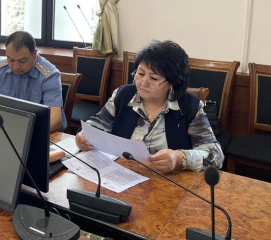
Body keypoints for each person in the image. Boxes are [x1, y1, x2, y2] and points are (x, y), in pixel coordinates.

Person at [75, 40, 223, 173]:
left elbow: (215, 155)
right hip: (120, 174)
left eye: (154, 78)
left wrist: (179, 158)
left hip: (167, 182)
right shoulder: (123, 95)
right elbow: (98, 123)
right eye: (140, 74)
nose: (143, 82)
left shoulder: (189, 107)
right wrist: (83, 137)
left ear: (172, 82)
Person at [0, 31, 65, 132]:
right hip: (6, 128)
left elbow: (55, 120)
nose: (16, 66)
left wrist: (25, 133)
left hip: (39, 130)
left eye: (22, 61)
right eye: (11, 60)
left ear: (34, 54)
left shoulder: (49, 76)